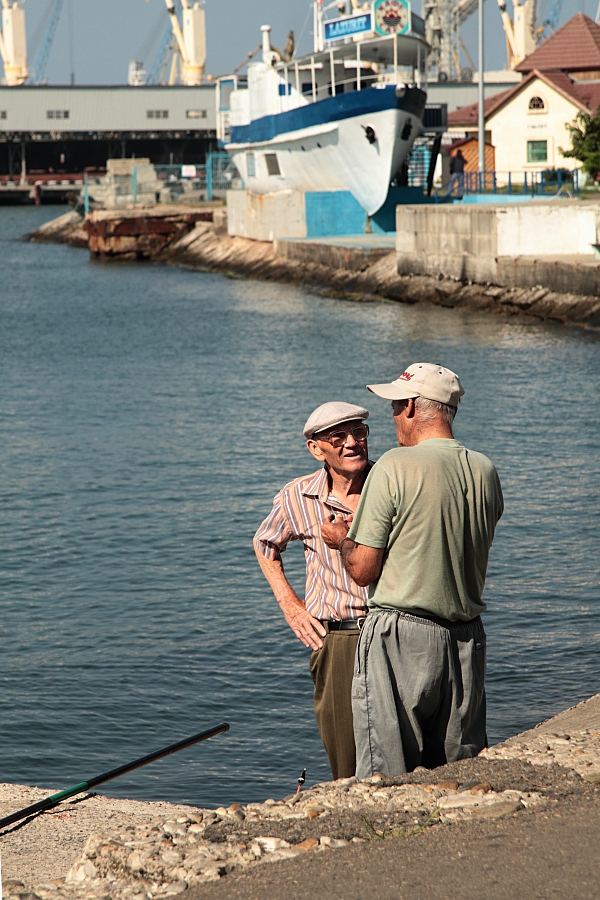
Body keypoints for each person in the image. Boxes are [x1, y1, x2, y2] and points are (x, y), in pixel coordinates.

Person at [321, 364, 503, 778]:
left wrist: (342, 541)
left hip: (401, 636)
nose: (391, 420)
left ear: (408, 408)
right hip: (466, 640)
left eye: (392, 408)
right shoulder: (485, 471)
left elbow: (364, 570)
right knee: (460, 773)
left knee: (387, 774)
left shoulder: (394, 466)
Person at [253, 401, 372, 779]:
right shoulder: (297, 495)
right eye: (338, 437)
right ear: (315, 448)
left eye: (360, 433)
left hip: (394, 629)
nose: (353, 443)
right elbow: (264, 543)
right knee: (346, 759)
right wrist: (291, 605)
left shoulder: (390, 482)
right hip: (336, 640)